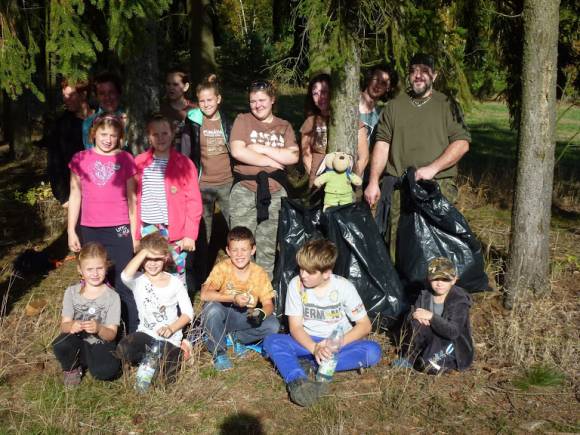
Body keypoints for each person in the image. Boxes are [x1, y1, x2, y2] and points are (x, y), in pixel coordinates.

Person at [364, 53, 471, 261]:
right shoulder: (395, 106)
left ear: (435, 75)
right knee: (398, 250)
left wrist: (432, 168)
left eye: (424, 71)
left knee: (437, 251)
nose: (418, 75)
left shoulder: (447, 105)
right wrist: (374, 181)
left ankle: (435, 293)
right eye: (413, 71)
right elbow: (382, 143)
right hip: (399, 190)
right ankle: (402, 291)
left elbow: (462, 144)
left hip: (437, 188)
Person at [263, 239, 381, 407]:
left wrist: (334, 344)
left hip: (336, 342)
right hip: (307, 340)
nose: (303, 275)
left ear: (326, 273)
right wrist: (314, 347)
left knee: (373, 351)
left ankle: (315, 364)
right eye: (301, 268)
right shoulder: (295, 285)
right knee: (271, 341)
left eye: (310, 272)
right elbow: (295, 327)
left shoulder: (344, 287)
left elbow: (365, 325)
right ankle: (297, 380)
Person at [68, 114, 139, 333]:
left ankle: (131, 332)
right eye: (103, 134)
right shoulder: (80, 158)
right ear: (93, 134)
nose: (108, 139)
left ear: (120, 137)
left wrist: (135, 235)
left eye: (113, 135)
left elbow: (132, 199)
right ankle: (100, 330)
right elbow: (75, 195)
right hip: (91, 228)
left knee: (123, 280)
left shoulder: (126, 159)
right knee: (96, 282)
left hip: (119, 229)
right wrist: (71, 230)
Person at [229, 80, 299, 278]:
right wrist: (273, 160)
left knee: (267, 248)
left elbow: (293, 156)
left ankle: (263, 296)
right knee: (240, 246)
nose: (257, 105)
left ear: (272, 100)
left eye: (262, 100)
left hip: (275, 191)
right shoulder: (243, 120)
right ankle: (241, 292)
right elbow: (237, 151)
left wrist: (260, 149)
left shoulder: (284, 126)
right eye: (253, 101)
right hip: (245, 188)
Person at [134, 114, 202, 285]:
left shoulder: (185, 164)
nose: (160, 138)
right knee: (150, 270)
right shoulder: (139, 163)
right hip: (147, 228)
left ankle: (180, 309)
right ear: (148, 137)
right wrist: (135, 234)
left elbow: (194, 201)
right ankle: (152, 308)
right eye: (155, 134)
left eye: (164, 133)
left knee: (175, 270)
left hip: (174, 229)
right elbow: (132, 200)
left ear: (172, 134)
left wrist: (190, 234)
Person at [199, 226, 279, 371]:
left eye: (244, 249)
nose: (239, 254)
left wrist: (261, 313)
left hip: (244, 316)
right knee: (212, 308)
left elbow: (268, 303)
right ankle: (219, 351)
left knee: (273, 325)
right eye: (235, 250)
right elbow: (204, 294)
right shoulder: (222, 268)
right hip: (223, 313)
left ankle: (235, 337)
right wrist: (233, 298)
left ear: (253, 250)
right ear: (228, 251)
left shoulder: (259, 273)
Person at [117, 233, 194, 384]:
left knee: (164, 381)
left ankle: (181, 350)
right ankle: (153, 358)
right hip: (146, 334)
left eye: (157, 258)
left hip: (170, 339)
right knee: (123, 349)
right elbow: (125, 276)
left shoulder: (175, 282)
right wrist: (144, 251)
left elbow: (188, 313)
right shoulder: (137, 280)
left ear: (165, 257)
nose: (152, 263)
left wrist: (171, 328)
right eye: (148, 259)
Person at [52, 242, 121, 387]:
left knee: (106, 372)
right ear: (80, 270)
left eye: (99, 268)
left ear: (106, 268)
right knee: (59, 344)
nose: (95, 274)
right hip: (78, 339)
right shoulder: (71, 292)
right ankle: (72, 369)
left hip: (100, 341)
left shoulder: (113, 296)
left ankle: (91, 360)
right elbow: (64, 325)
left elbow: (111, 334)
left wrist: (99, 328)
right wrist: (72, 325)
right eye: (89, 269)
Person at [393, 257, 473, 374]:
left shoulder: (459, 300)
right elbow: (410, 318)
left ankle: (440, 360)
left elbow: (454, 332)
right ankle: (409, 359)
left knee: (429, 366)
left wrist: (431, 317)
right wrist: (414, 315)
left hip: (452, 343)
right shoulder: (424, 295)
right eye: (435, 278)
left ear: (454, 280)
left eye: (445, 279)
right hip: (432, 338)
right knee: (416, 322)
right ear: (428, 279)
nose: (439, 283)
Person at [181, 74, 233, 244]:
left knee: (234, 224)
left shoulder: (227, 121)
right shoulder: (193, 121)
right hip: (202, 184)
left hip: (227, 182)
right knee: (204, 230)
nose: (206, 104)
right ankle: (202, 266)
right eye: (202, 101)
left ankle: (239, 259)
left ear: (218, 99)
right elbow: (186, 152)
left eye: (210, 100)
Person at [301, 74, 369, 186]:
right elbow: (306, 155)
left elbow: (364, 157)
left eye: (324, 92)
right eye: (315, 94)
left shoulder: (350, 120)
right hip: (318, 186)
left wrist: (350, 180)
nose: (320, 97)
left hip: (346, 187)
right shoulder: (310, 122)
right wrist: (317, 180)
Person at [45, 78, 93, 206]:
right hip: (76, 194)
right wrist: (64, 197)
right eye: (64, 96)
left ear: (84, 94)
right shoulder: (60, 126)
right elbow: (54, 163)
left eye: (70, 95)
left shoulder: (101, 119)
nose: (66, 99)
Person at [82, 72, 127, 150]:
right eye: (102, 93)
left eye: (111, 92)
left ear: (119, 93)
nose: (107, 97)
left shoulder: (131, 119)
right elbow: (90, 152)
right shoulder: (89, 123)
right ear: (96, 97)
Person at [359, 63, 398, 146]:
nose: (378, 85)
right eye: (376, 79)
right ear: (370, 78)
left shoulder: (381, 116)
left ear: (388, 88)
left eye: (383, 83)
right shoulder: (351, 101)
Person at [160, 68, 197, 149]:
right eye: (168, 84)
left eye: (175, 84)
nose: (171, 88)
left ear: (186, 87)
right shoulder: (160, 110)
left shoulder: (196, 110)